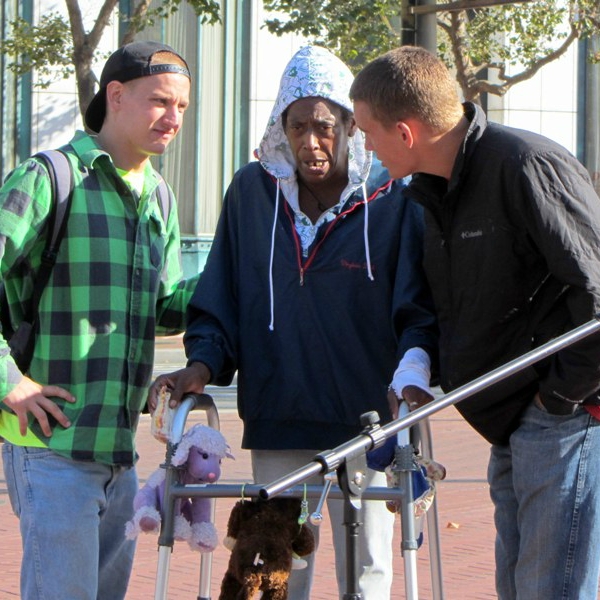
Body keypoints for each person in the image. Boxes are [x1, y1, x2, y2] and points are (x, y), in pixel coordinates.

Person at [148, 45, 438, 599]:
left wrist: (414, 369)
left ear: (352, 126)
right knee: (278, 565)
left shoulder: (392, 198)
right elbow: (222, 296)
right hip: (281, 420)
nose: (311, 142)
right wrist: (203, 362)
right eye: (298, 125)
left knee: (367, 570)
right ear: (281, 124)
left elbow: (417, 307)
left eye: (325, 126)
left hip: (368, 427)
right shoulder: (251, 195)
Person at [349, 45, 600, 600]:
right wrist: (421, 366)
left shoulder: (525, 166)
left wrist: (556, 400)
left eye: (367, 130)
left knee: (549, 590)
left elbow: (596, 294)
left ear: (406, 132)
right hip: (510, 423)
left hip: (560, 421)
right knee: (520, 589)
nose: (363, 145)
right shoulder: (432, 194)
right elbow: (465, 305)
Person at [0, 41, 198, 600]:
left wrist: (248, 277)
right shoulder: (48, 178)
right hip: (52, 450)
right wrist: (10, 384)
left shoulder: (159, 195)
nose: (174, 118)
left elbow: (168, 306)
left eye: (183, 107)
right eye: (161, 101)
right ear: (115, 96)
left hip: (120, 458)